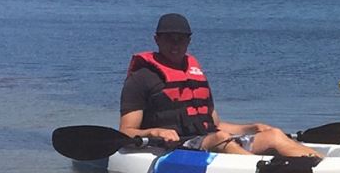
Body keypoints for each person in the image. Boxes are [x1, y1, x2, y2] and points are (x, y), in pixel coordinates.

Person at [119, 13, 317, 158]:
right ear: (157, 40)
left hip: (209, 140)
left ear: (189, 41)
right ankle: (262, 170)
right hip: (174, 147)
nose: (175, 45)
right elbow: (126, 131)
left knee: (273, 134)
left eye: (181, 39)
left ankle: (321, 165)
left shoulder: (195, 74)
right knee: (219, 138)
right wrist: (155, 132)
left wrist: (251, 127)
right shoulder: (141, 78)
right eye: (169, 38)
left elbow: (215, 124)